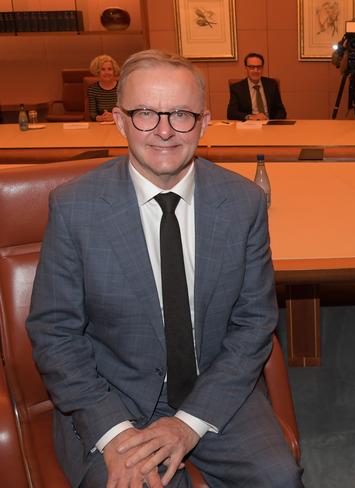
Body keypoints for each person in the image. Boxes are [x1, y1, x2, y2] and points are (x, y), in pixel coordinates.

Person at [27, 49, 303, 488]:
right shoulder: (74, 206)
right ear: (119, 121)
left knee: (278, 478)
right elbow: (55, 334)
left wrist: (190, 422)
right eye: (144, 114)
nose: (164, 131)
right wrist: (114, 434)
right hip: (111, 397)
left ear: (205, 123)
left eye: (180, 114)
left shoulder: (244, 204)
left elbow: (254, 324)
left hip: (216, 390)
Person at [227, 52, 287, 121]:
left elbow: (281, 111)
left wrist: (271, 122)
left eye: (259, 67)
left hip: (269, 125)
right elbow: (231, 113)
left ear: (262, 68)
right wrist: (250, 117)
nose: (256, 70)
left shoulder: (272, 84)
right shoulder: (237, 88)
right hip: (249, 125)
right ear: (246, 68)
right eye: (252, 67)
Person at [87, 54, 119, 122]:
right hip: (101, 125)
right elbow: (93, 114)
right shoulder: (92, 89)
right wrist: (101, 118)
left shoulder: (122, 87)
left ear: (114, 71)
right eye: (103, 69)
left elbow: (127, 111)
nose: (107, 72)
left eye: (110, 69)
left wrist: (115, 116)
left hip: (120, 124)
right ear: (98, 72)